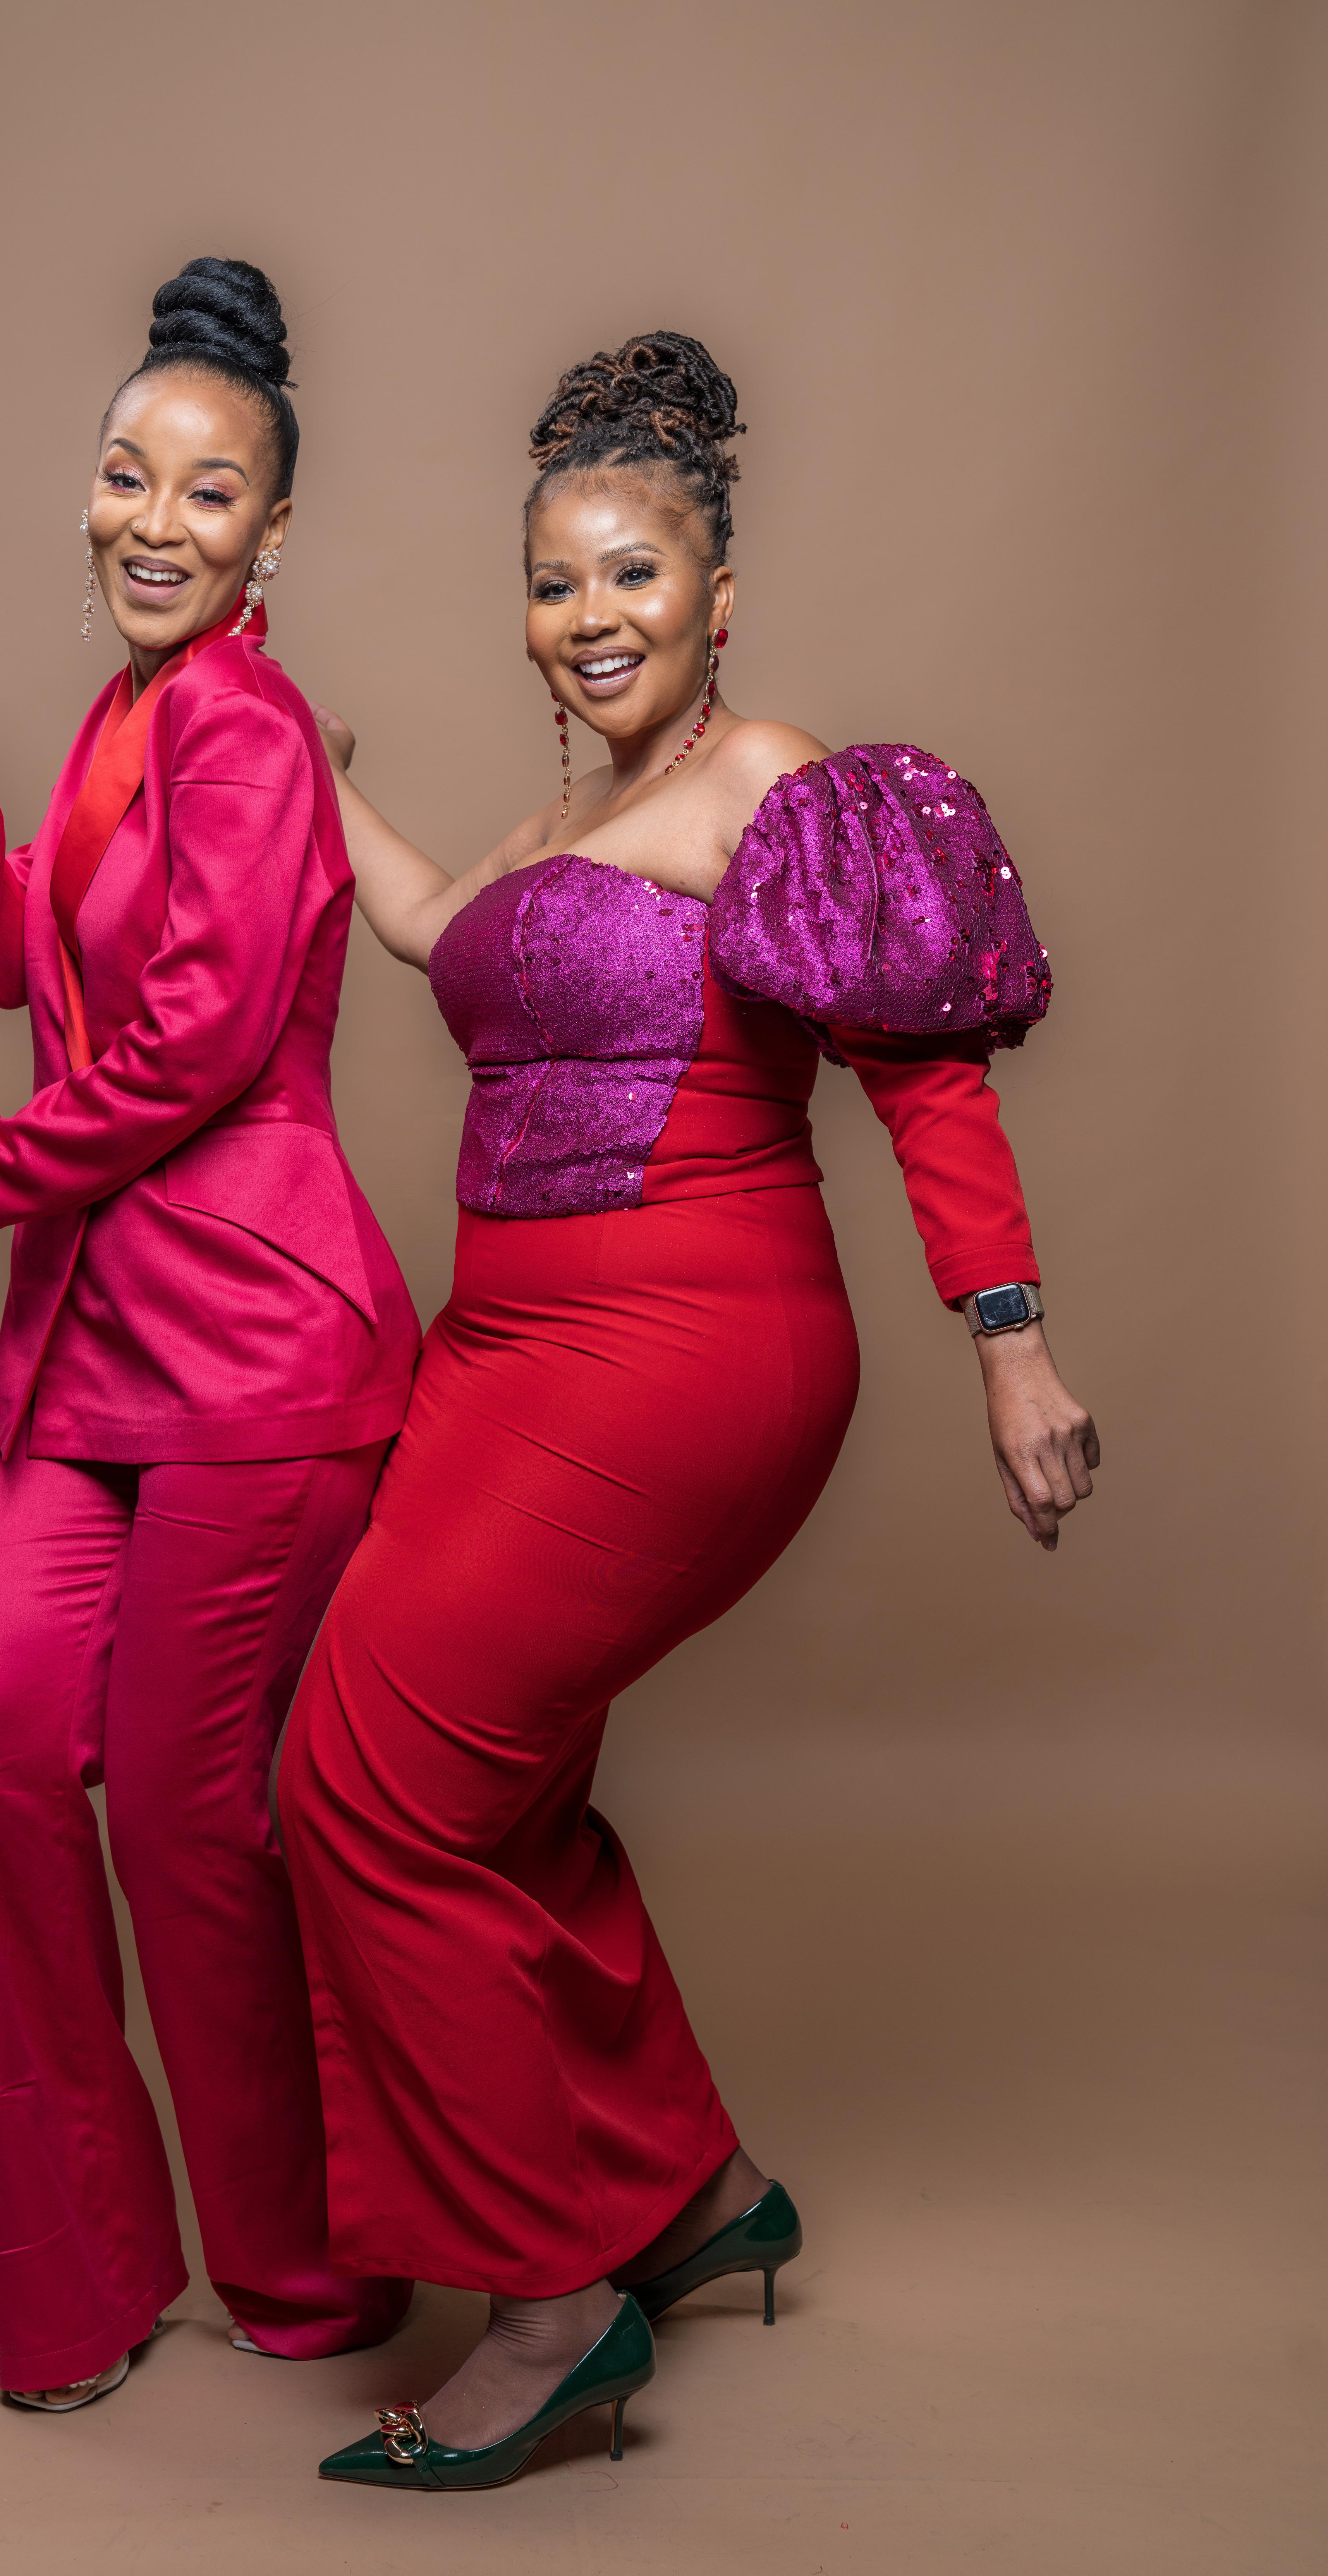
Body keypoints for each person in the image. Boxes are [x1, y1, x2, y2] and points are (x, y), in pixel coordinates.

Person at [276, 330, 1100, 2490]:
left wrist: (1008, 1338)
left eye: (632, 573)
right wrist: (299, 755)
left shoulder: (773, 787)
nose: (592, 615)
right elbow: (430, 929)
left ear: (717, 597)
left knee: (361, 1792)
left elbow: (928, 1086)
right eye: (555, 582)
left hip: (684, 1356)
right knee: (496, 1802)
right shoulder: (561, 817)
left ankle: (552, 2306)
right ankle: (689, 2189)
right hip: (499, 1358)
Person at [0, 257, 418, 2410]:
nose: (155, 523)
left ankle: (307, 2275)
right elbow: (34, 959)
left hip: (255, 1358)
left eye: (209, 491)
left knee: (190, 1824)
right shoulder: (124, 718)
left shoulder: (249, 731)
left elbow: (185, 1055)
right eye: (125, 475)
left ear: (273, 533)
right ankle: (83, 2283)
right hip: (91, 1352)